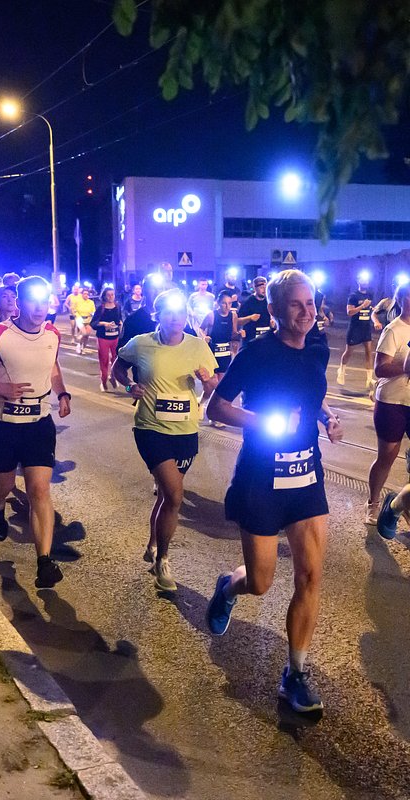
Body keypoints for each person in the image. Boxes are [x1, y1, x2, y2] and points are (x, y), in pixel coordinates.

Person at [206, 270, 343, 714]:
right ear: (275, 311)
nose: (307, 313)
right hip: (261, 480)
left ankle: (296, 673)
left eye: (311, 304)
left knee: (309, 576)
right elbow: (217, 406)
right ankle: (229, 586)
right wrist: (261, 422)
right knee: (261, 582)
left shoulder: (318, 350)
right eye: (296, 305)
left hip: (306, 477)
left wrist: (326, 418)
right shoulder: (257, 353)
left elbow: (311, 394)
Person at [0, 276, 71, 589]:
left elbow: (52, 368)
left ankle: (45, 562)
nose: (39, 308)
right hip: (1, 424)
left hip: (39, 424)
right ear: (18, 303)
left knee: (39, 490)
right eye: (32, 301)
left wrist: (62, 394)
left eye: (44, 301)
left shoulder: (52, 334)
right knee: (5, 483)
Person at [112, 288, 218, 591]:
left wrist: (205, 380)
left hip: (185, 430)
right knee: (173, 495)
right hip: (150, 427)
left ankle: (152, 544)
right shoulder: (140, 344)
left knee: (165, 497)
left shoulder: (198, 346)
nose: (176, 319)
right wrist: (130, 384)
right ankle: (163, 561)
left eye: (181, 313)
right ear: (158, 315)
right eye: (169, 313)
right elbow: (119, 368)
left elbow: (212, 385)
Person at [365, 283, 410, 524]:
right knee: (387, 457)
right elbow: (380, 368)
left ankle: (401, 503)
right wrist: (405, 367)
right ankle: (373, 502)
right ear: (402, 299)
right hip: (392, 403)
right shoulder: (394, 330)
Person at [337, 274, 374, 388]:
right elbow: (349, 312)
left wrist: (373, 309)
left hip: (366, 327)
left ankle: (369, 379)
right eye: (363, 279)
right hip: (355, 328)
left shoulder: (370, 294)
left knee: (369, 351)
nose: (365, 281)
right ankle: (342, 370)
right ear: (358, 281)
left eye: (366, 279)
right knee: (349, 352)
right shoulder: (353, 296)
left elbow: (370, 309)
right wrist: (362, 306)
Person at [91, 287, 122, 391]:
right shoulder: (101, 308)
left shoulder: (117, 307)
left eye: (112, 294)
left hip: (115, 337)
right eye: (108, 295)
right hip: (103, 338)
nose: (111, 297)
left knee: (116, 360)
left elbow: (119, 319)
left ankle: (113, 377)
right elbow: (93, 323)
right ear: (104, 296)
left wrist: (120, 323)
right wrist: (104, 324)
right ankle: (103, 381)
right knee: (104, 360)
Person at [237, 276, 271, 348]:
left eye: (265, 287)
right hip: (251, 339)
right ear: (255, 288)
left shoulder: (269, 301)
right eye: (262, 288)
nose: (264, 290)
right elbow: (238, 321)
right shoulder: (247, 302)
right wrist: (249, 318)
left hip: (267, 338)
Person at [72, 288, 96, 354]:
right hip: (80, 319)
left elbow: (93, 311)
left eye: (87, 294)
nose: (86, 295)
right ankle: (78, 345)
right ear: (82, 294)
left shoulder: (91, 302)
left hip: (88, 319)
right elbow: (75, 311)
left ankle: (83, 348)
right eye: (84, 294)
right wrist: (78, 316)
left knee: (86, 336)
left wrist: (93, 314)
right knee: (84, 333)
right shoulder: (78, 301)